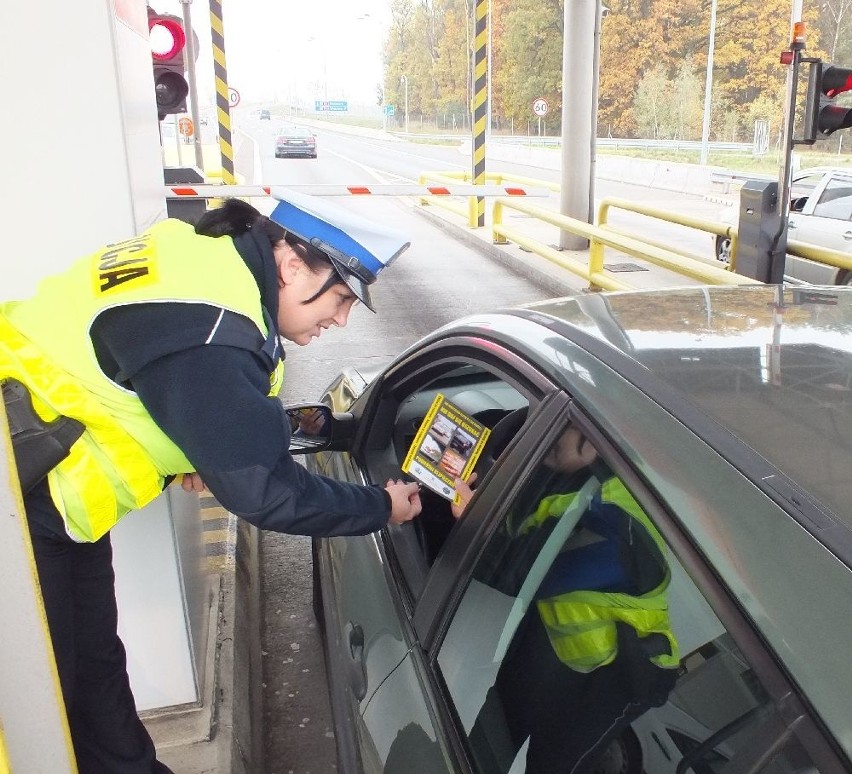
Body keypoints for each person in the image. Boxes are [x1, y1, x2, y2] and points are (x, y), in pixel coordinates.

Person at [0, 191, 422, 773]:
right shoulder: (211, 324)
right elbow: (265, 492)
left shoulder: (206, 267)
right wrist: (380, 507)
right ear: (292, 263)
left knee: (92, 666)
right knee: (37, 702)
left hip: (46, 497)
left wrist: (193, 452)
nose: (341, 319)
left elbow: (137, 377)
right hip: (18, 507)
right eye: (341, 297)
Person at [451, 424, 678, 773]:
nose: (545, 455)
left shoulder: (620, 526)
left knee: (553, 763)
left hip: (619, 671)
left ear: (598, 447)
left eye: (556, 449)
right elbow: (530, 523)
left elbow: (526, 575)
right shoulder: (579, 475)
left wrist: (476, 523)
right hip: (561, 648)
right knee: (501, 727)